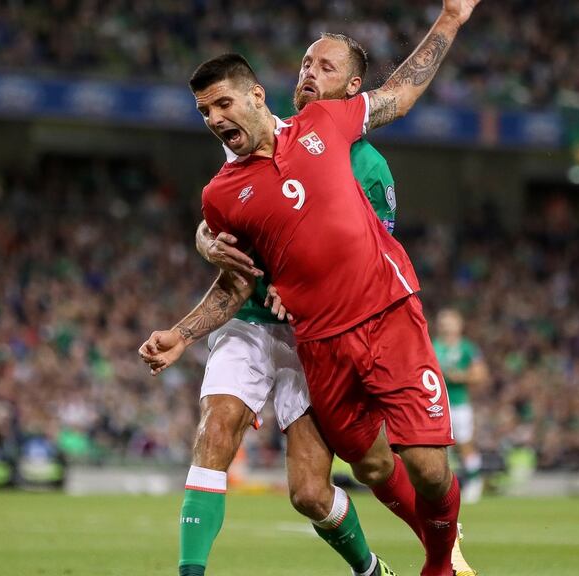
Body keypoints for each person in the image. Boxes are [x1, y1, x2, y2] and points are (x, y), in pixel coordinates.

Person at [142, 2, 482, 574]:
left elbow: (399, 97)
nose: (308, 73)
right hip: (283, 329)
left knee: (381, 473)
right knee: (248, 441)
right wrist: (191, 298)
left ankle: (441, 553)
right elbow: (232, 275)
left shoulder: (348, 144)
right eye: (204, 111)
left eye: (324, 67)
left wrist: (450, 18)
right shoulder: (224, 187)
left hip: (352, 322)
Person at [163, 33, 405, 576]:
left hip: (316, 335)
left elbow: (374, 260)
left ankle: (372, 567)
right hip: (250, 324)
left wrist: (308, 286)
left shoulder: (364, 163)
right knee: (216, 426)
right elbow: (232, 232)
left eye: (326, 67)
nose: (310, 74)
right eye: (304, 63)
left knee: (311, 495)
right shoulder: (267, 144)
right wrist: (205, 242)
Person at [432, 309, 489, 503]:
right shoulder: (432, 346)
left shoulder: (467, 348)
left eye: (450, 321)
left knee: (464, 443)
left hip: (459, 403)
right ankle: (443, 486)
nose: (446, 325)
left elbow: (481, 374)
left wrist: (461, 376)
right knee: (436, 446)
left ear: (459, 325)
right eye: (443, 321)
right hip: (435, 403)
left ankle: (474, 481)